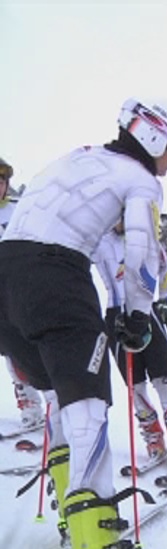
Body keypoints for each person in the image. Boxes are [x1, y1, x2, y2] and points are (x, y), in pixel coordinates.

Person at [0, 97, 167, 549]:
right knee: (88, 405)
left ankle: (75, 524)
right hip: (57, 273)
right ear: (154, 134)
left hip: (6, 278)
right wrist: (137, 315)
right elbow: (142, 251)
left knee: (59, 400)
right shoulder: (140, 178)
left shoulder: (77, 157)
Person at [93, 218, 167, 466]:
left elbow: (166, 269)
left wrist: (165, 300)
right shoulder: (100, 241)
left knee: (162, 379)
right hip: (116, 314)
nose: (121, 221)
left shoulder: (145, 239)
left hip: (145, 311)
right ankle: (153, 436)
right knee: (135, 385)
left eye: (126, 215)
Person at [0, 157, 47, 431]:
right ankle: (29, 408)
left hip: (22, 288)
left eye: (3, 181)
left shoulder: (19, 209)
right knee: (9, 353)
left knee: (31, 347)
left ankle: (53, 401)